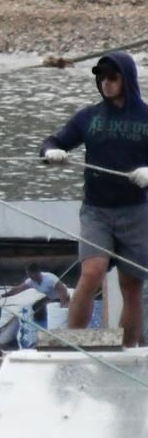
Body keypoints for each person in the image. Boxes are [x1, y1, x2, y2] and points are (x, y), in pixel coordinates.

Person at [41, 51, 148, 348]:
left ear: (126, 79)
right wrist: (52, 152)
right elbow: (53, 141)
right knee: (91, 273)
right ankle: (73, 344)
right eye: (101, 77)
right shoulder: (89, 117)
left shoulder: (145, 117)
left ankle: (130, 350)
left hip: (136, 212)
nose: (106, 83)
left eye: (112, 77)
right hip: (96, 212)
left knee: (131, 285)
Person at [0, 262, 70, 317]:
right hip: (50, 298)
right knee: (34, 307)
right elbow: (18, 289)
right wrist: (3, 295)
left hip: (62, 298)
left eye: (31, 275)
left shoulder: (49, 279)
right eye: (28, 275)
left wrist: (62, 305)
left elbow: (62, 290)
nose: (30, 277)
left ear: (37, 272)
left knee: (38, 314)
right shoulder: (31, 281)